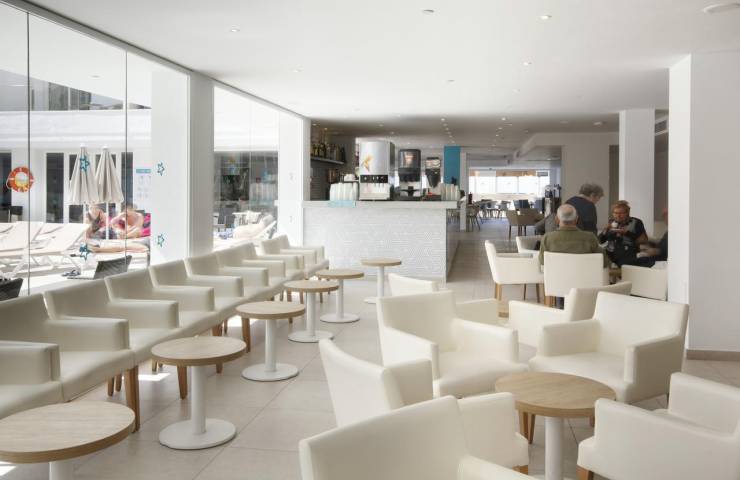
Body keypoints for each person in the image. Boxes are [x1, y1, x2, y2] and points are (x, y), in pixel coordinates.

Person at [539, 204, 607, 267]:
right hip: (584, 276)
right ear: (576, 219)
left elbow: (542, 262)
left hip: (555, 276)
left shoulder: (547, 238)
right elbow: (603, 262)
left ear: (557, 219)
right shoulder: (590, 238)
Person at [598, 200, 648, 267]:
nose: (618, 216)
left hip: (628, 255)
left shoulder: (636, 222)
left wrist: (627, 233)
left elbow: (643, 240)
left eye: (621, 213)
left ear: (628, 212)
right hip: (610, 256)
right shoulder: (612, 222)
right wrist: (605, 230)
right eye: (615, 213)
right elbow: (600, 241)